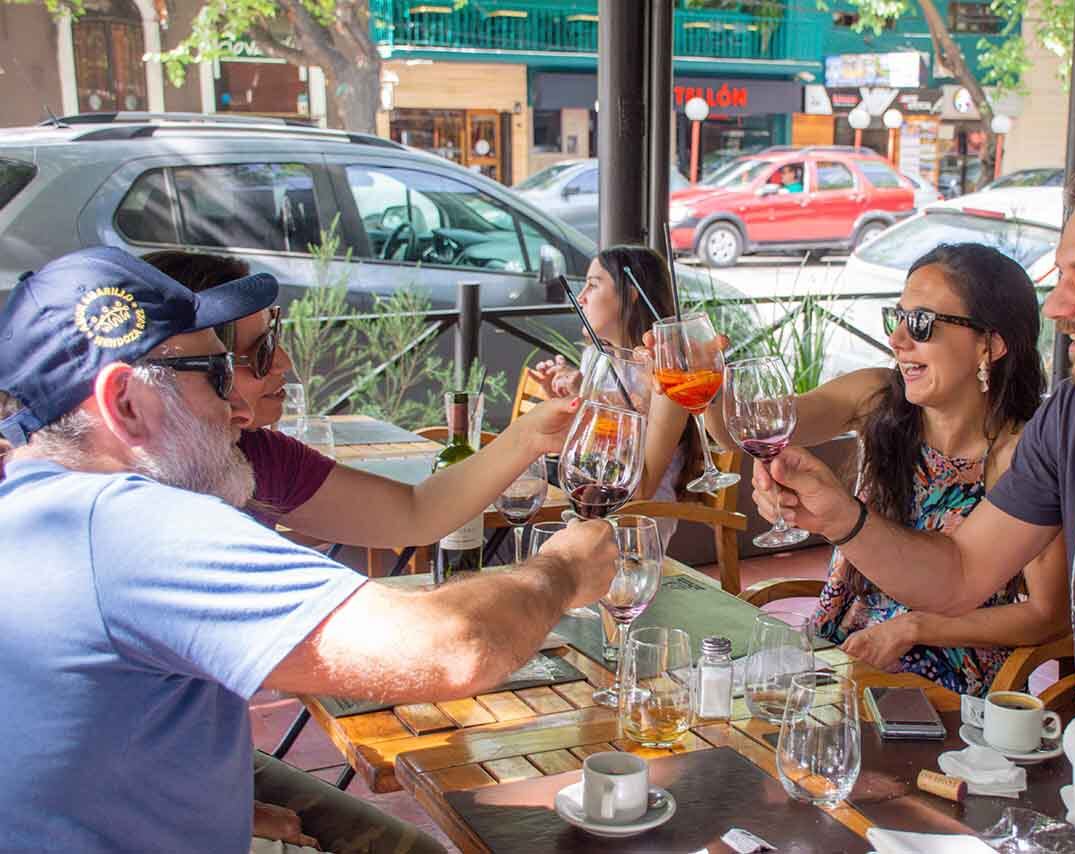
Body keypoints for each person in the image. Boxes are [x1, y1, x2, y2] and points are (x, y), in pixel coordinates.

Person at [0, 247, 618, 851]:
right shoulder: (131, 526)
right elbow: (453, 649)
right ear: (124, 404)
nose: (238, 404)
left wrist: (206, 799)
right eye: (219, 374)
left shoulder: (36, 508)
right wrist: (563, 569)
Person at [752, 159, 1075, 805]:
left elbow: (1040, 611)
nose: (1057, 306)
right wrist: (842, 519)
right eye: (1061, 278)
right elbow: (960, 573)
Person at [705, 243, 1069, 696]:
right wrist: (708, 387)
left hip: (941, 681)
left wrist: (915, 628)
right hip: (837, 652)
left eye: (920, 323)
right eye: (895, 318)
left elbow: (1046, 613)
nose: (897, 339)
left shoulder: (1022, 457)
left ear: (989, 344)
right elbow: (751, 428)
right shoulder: (878, 398)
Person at [143, 250, 581, 539]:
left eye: (274, 337)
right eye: (258, 353)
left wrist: (528, 437)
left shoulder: (254, 454)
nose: (283, 363)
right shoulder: (134, 503)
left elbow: (415, 512)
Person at [528, 245, 700, 541]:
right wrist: (564, 402)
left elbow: (641, 486)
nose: (580, 298)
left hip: (636, 524)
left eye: (593, 285)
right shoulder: (595, 359)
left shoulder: (665, 372)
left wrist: (593, 400)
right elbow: (584, 454)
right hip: (593, 505)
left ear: (631, 294)